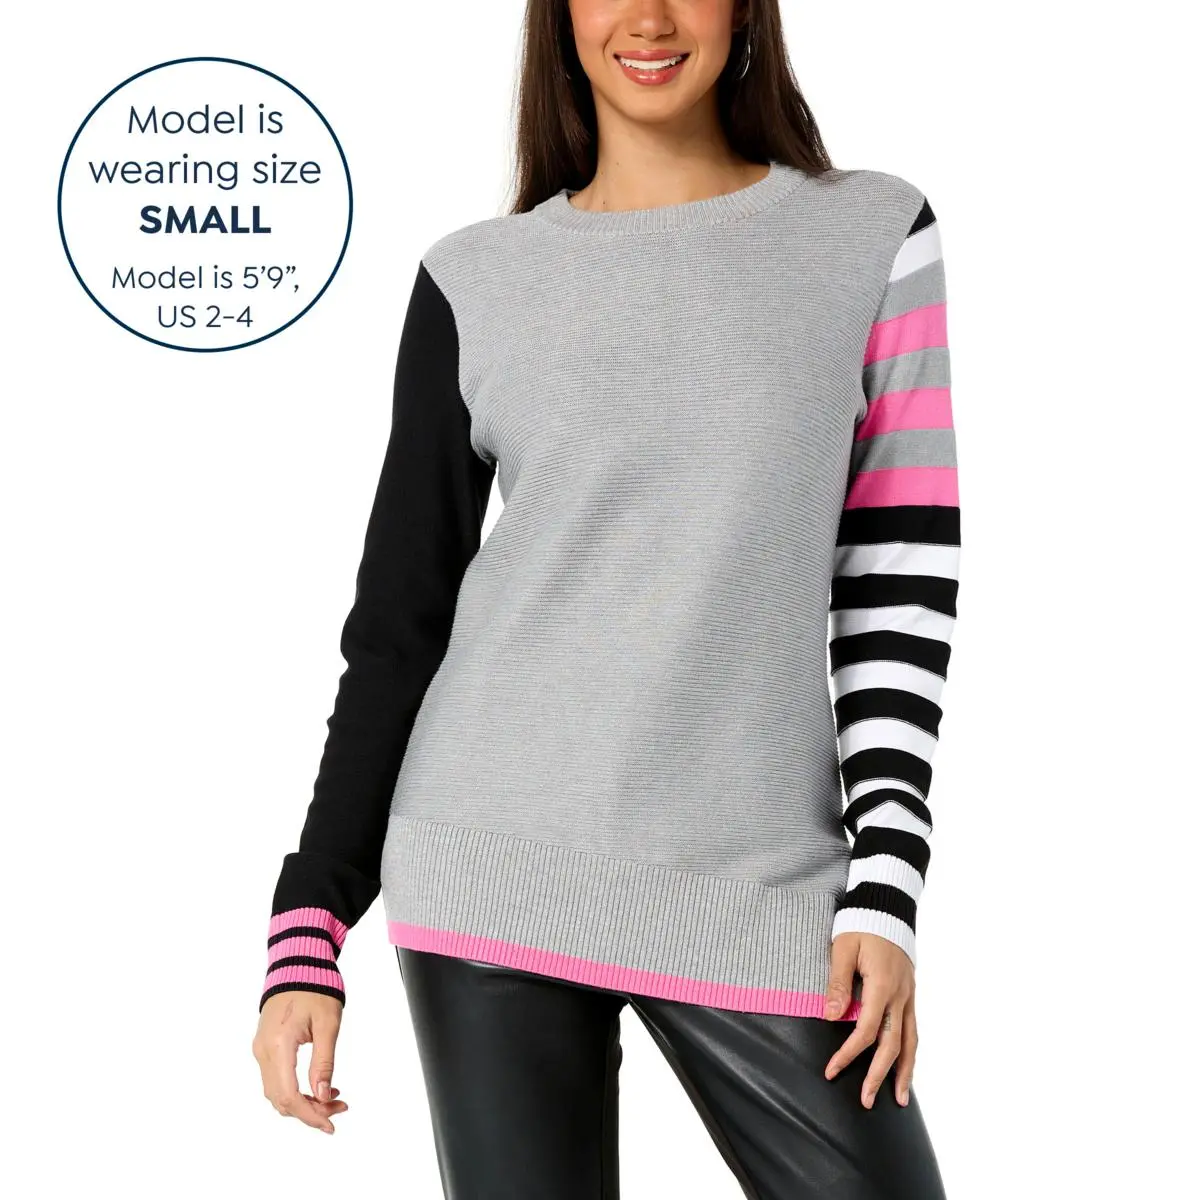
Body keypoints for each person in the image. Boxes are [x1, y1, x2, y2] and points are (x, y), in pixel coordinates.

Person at [252, 1, 958, 1195]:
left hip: (760, 884)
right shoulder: (474, 279)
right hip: (489, 866)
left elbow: (897, 578)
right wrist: (308, 927)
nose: (647, 16)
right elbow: (398, 628)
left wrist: (885, 888)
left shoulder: (871, 234)